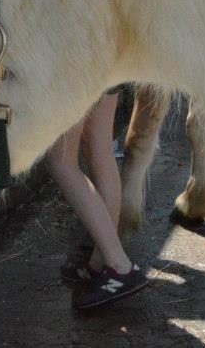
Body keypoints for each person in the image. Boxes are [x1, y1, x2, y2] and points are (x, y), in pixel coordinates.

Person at [44, 91, 149, 309]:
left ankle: (120, 266)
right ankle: (99, 262)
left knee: (60, 161)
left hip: (74, 68)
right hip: (108, 64)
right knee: (99, 150)